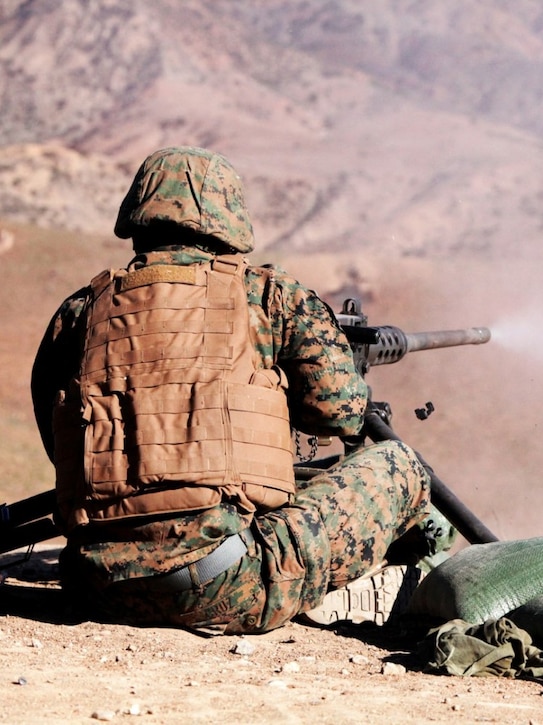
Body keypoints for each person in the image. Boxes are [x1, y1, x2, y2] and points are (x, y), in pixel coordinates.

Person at [30, 146, 436, 633]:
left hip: (96, 588)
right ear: (228, 218)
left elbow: (62, 443)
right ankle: (423, 584)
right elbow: (342, 414)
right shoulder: (268, 295)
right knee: (399, 466)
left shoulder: (80, 311)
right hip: (228, 586)